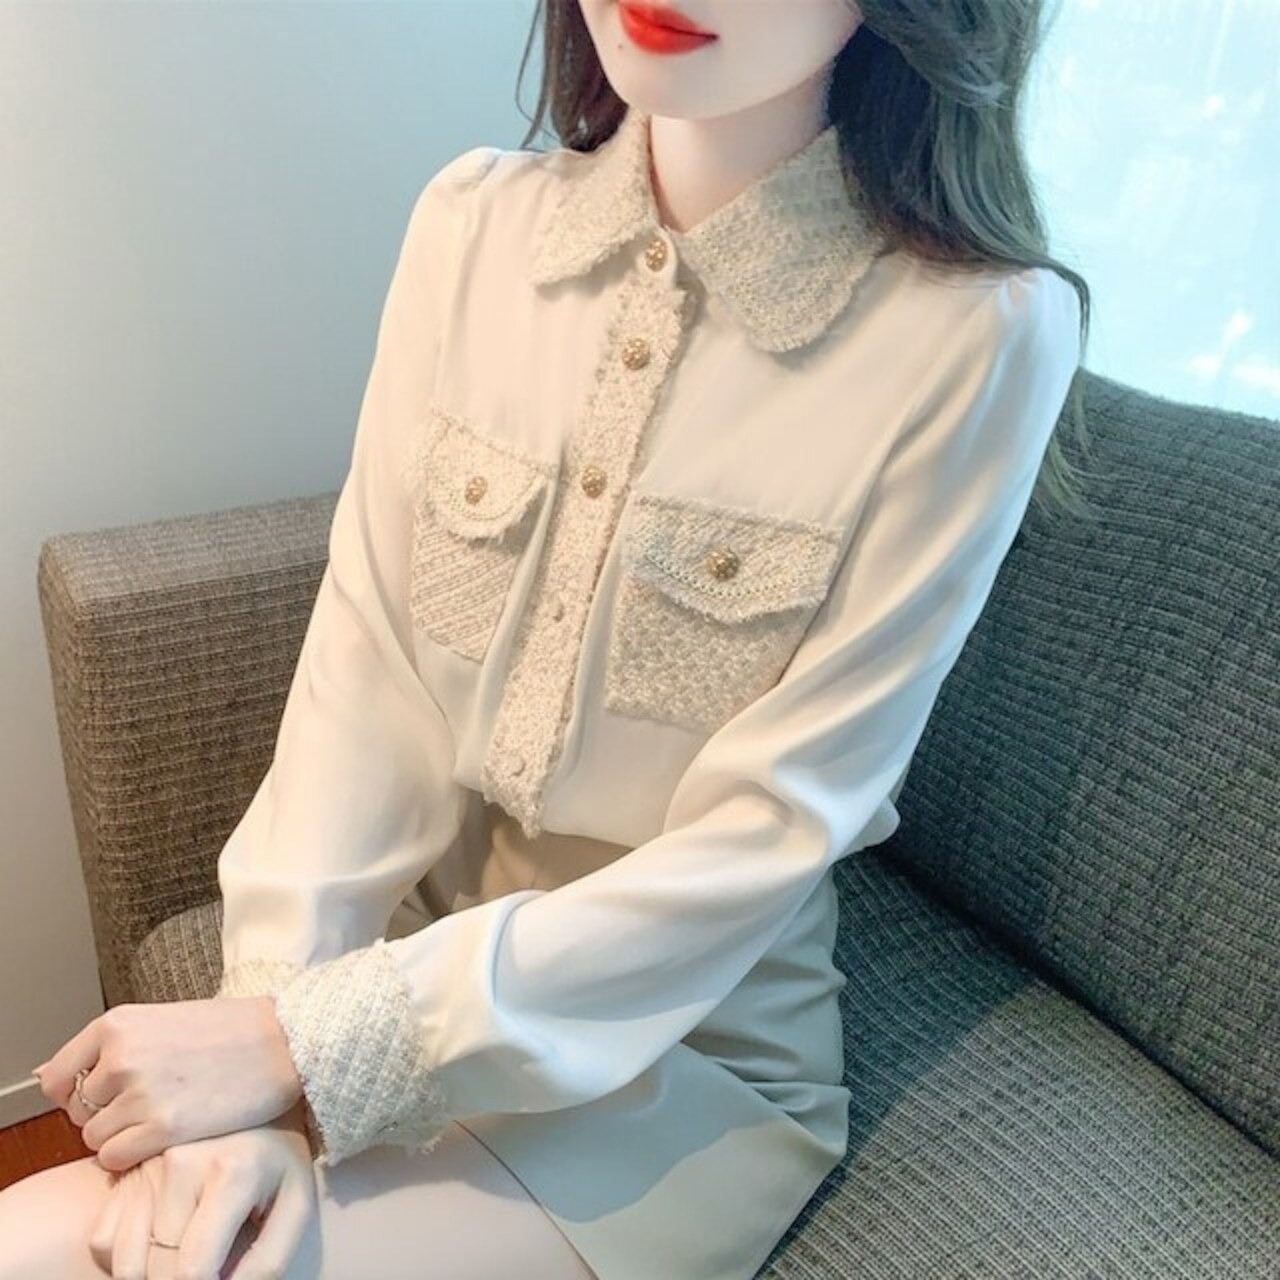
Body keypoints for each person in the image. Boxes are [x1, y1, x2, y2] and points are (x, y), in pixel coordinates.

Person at [0, 0, 1091, 1276]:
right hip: (394, 948)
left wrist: (303, 1048)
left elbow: (772, 830)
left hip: (678, 1059)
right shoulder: (470, 225)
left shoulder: (976, 336)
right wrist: (270, 1034)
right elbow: (365, 679)